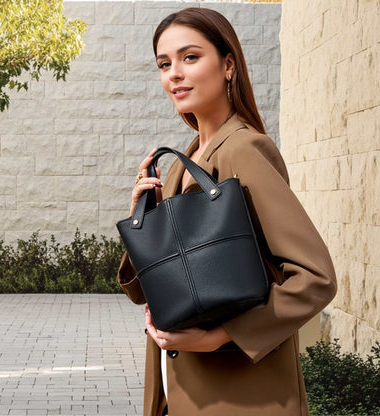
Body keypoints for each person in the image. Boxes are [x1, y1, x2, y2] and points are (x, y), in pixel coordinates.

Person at [117, 7, 336, 416]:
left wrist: (219, 336)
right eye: (165, 64)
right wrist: (143, 222)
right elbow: (153, 290)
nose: (174, 74)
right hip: (181, 391)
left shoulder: (244, 150)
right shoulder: (184, 161)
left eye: (190, 57)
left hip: (242, 397)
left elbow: (316, 279)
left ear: (228, 64)